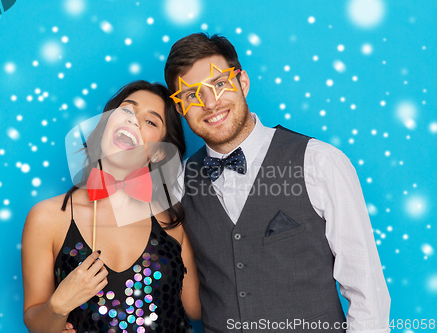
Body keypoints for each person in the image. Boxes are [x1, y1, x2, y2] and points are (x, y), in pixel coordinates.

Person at [164, 33, 391, 332]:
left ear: (242, 82)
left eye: (220, 84)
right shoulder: (177, 182)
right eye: (193, 95)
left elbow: (366, 289)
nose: (211, 103)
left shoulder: (319, 161)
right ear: (180, 108)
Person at [22, 80, 201, 333]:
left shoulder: (171, 223)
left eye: (150, 121)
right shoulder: (47, 218)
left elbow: (199, 308)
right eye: (126, 111)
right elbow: (36, 324)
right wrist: (57, 307)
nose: (133, 121)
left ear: (159, 153)